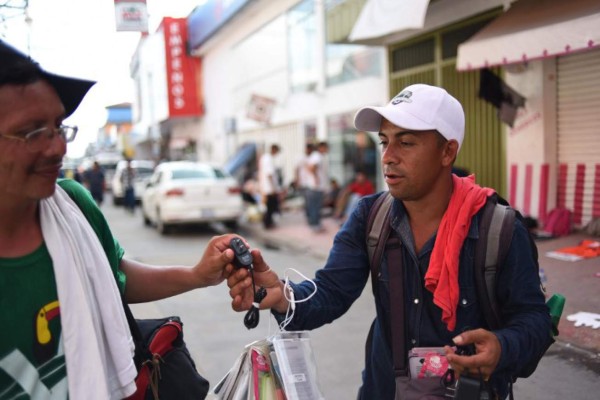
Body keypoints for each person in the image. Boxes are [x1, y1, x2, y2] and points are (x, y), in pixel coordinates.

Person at [226, 84, 552, 399]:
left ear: (447, 151)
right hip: (384, 390)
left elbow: (535, 321)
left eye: (406, 143)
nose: (388, 157)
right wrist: (282, 296)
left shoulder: (499, 227)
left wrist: (502, 346)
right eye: (384, 142)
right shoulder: (370, 217)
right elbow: (331, 291)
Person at [0, 40, 239, 399]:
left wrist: (196, 275)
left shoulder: (72, 205)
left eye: (59, 127)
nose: (58, 148)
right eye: (34, 131)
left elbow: (117, 279)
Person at [304, 141, 330, 232]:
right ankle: (315, 225)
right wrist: (316, 178)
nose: (327, 150)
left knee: (313, 206)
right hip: (316, 187)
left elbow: (308, 167)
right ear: (321, 147)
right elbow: (312, 167)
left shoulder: (315, 156)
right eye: (326, 147)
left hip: (314, 186)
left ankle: (314, 224)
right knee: (316, 206)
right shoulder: (317, 156)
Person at [258, 144, 282, 229]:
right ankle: (268, 223)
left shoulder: (265, 158)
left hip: (266, 186)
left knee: (269, 206)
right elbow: (269, 174)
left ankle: (269, 222)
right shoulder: (268, 159)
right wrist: (273, 188)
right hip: (269, 188)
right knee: (270, 206)